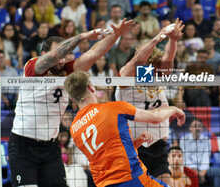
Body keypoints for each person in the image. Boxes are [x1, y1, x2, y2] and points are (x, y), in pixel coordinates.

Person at [8, 19, 135, 187]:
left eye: (64, 58)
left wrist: (116, 35)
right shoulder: (33, 67)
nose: (61, 61)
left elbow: (94, 53)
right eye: (59, 56)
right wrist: (83, 36)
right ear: (43, 53)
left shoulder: (68, 70)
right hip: (23, 145)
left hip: (50, 147)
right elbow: (54, 55)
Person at [63, 70, 185, 187]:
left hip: (104, 183)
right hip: (131, 178)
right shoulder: (112, 109)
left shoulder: (74, 129)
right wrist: (174, 109)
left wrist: (136, 142)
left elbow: (107, 152)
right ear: (91, 87)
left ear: (72, 98)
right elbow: (155, 117)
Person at [115, 19, 185, 187]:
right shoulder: (126, 80)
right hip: (134, 148)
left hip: (158, 146)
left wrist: (173, 40)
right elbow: (139, 58)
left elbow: (168, 61)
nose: (155, 71)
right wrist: (158, 38)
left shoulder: (156, 77)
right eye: (150, 66)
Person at [180, 118, 220, 187]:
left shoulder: (206, 140)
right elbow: (185, 159)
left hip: (203, 169)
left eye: (199, 126)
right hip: (189, 168)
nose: (197, 128)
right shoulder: (183, 140)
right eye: (194, 126)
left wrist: (203, 171)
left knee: (217, 171)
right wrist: (195, 171)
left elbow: (206, 157)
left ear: (202, 128)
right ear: (190, 128)